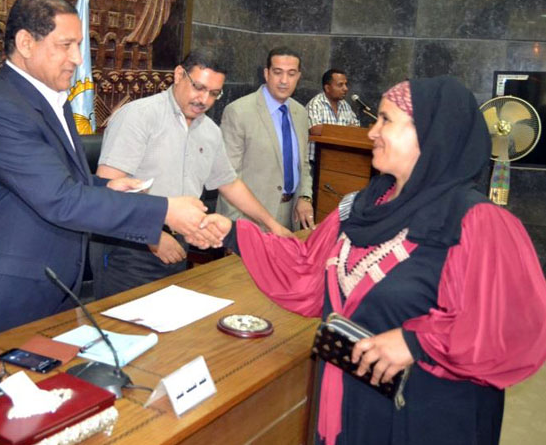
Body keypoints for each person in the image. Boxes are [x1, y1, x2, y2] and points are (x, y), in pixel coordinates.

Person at [209, 76, 546, 445]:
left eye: (386, 120)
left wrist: (417, 343)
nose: (372, 132)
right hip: (350, 407)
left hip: (427, 418)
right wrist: (231, 232)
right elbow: (306, 269)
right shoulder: (360, 207)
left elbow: (513, 325)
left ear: (431, 134)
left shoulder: (478, 222)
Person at [0, 0, 223, 343]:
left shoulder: (51, 101)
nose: (77, 58)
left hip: (48, 289)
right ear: (26, 43)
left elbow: (57, 181)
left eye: (79, 45)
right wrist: (165, 211)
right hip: (2, 297)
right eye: (66, 45)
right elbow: (61, 199)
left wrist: (106, 186)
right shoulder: (2, 110)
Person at [91, 49, 291, 297]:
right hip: (131, 246)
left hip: (180, 242)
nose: (204, 100)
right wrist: (153, 237)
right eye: (199, 87)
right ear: (178, 75)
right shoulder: (139, 116)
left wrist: (272, 225)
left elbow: (230, 184)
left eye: (214, 93)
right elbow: (108, 187)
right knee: (123, 320)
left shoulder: (210, 131)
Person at [217, 47, 315, 231]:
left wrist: (304, 197)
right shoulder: (238, 112)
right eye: (278, 72)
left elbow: (302, 163)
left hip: (291, 215)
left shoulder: (300, 113)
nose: (284, 80)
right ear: (266, 73)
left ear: (298, 76)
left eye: (291, 74)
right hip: (250, 219)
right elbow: (227, 175)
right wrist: (237, 229)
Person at [305, 68, 359, 161]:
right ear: (327, 88)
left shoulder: (345, 105)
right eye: (340, 85)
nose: (345, 89)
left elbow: (355, 129)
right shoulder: (315, 104)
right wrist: (345, 130)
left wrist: (342, 130)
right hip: (316, 162)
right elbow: (315, 130)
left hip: (339, 160)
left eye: (346, 84)